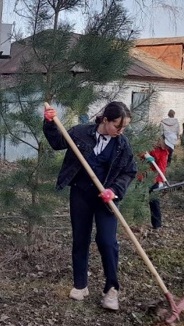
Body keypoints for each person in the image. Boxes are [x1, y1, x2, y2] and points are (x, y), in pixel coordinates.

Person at [42, 101, 137, 311]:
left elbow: (129, 171)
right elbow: (57, 142)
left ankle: (112, 289)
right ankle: (80, 285)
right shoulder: (81, 133)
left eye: (124, 128)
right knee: (80, 238)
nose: (120, 131)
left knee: (107, 241)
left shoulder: (122, 144)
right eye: (117, 126)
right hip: (81, 193)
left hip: (107, 198)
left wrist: (114, 190)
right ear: (105, 120)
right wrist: (50, 123)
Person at [141, 136, 170, 230]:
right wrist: (144, 155)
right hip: (141, 174)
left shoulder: (165, 152)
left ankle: (157, 224)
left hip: (153, 178)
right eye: (166, 144)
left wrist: (160, 181)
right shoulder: (150, 141)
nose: (167, 146)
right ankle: (137, 222)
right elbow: (138, 151)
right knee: (139, 199)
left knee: (154, 200)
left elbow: (162, 168)